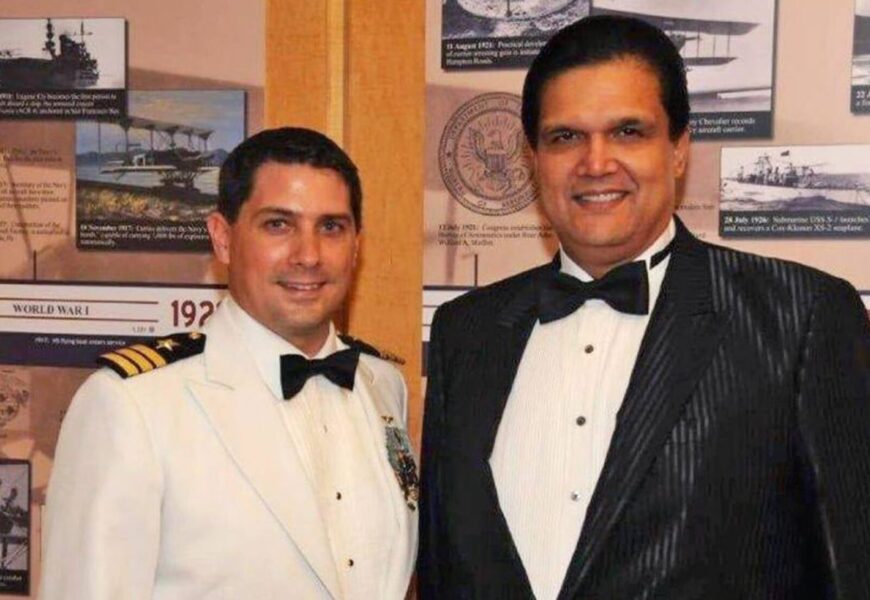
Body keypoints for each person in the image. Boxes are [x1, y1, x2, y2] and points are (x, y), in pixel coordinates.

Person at [419, 15, 870, 600]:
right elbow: (443, 569)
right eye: (565, 137)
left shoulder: (800, 318)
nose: (595, 163)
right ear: (532, 159)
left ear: (678, 150)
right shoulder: (465, 331)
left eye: (628, 132)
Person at [41, 127, 418, 599]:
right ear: (223, 238)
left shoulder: (382, 385)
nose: (308, 255)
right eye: (278, 225)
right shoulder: (131, 405)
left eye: (331, 227)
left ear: (356, 246)